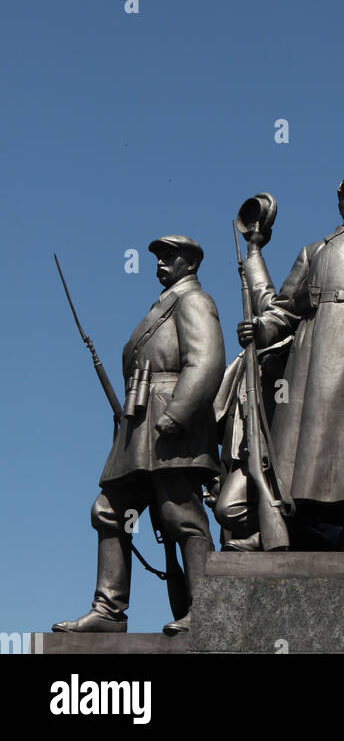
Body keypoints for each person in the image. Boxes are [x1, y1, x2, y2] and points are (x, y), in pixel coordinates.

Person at [52, 236, 225, 635]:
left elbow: (207, 362)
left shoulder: (195, 301)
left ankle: (208, 609)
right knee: (108, 511)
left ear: (192, 263)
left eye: (170, 256)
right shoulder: (163, 306)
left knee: (180, 514)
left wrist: (179, 414)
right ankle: (109, 609)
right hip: (139, 424)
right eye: (158, 257)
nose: (161, 263)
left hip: (169, 421)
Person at [223, 176, 344, 550]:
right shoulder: (315, 250)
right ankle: (285, 527)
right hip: (310, 355)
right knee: (298, 444)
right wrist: (260, 328)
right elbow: (284, 308)